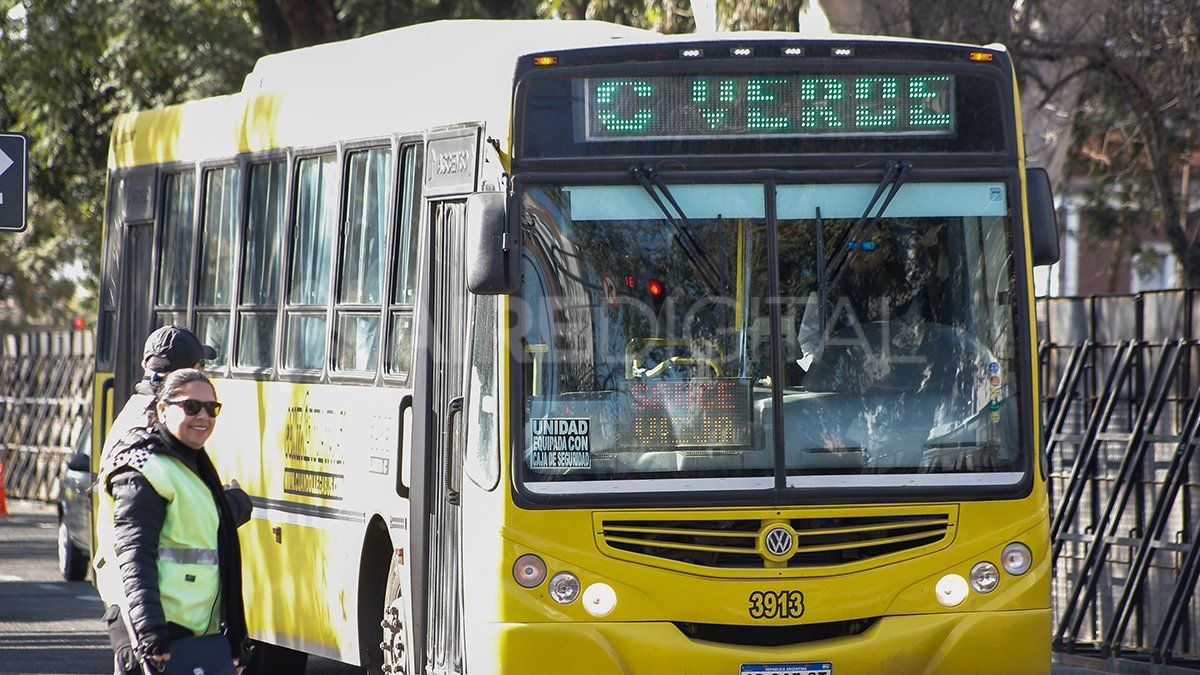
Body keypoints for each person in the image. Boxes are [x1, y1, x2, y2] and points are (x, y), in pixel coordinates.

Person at [93, 369, 250, 675]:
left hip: (194, 633)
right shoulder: (143, 470)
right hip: (156, 632)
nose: (202, 416)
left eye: (211, 408)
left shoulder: (194, 465)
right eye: (191, 407)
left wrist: (233, 641)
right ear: (162, 410)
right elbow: (134, 556)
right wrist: (150, 631)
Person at [98, 325, 218, 470]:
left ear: (144, 365)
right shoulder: (161, 419)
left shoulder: (135, 407)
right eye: (202, 366)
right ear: (193, 371)